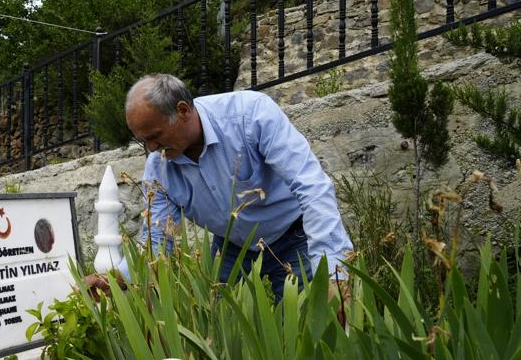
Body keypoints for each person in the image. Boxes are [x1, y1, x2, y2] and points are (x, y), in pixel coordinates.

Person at [87, 73, 353, 304]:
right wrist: (114, 279)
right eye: (143, 141)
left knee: (306, 324)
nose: (152, 149)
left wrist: (333, 273)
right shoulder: (158, 168)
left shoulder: (250, 115)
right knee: (221, 330)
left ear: (183, 111)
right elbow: (157, 241)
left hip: (293, 237)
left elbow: (311, 186)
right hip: (231, 247)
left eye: (155, 136)